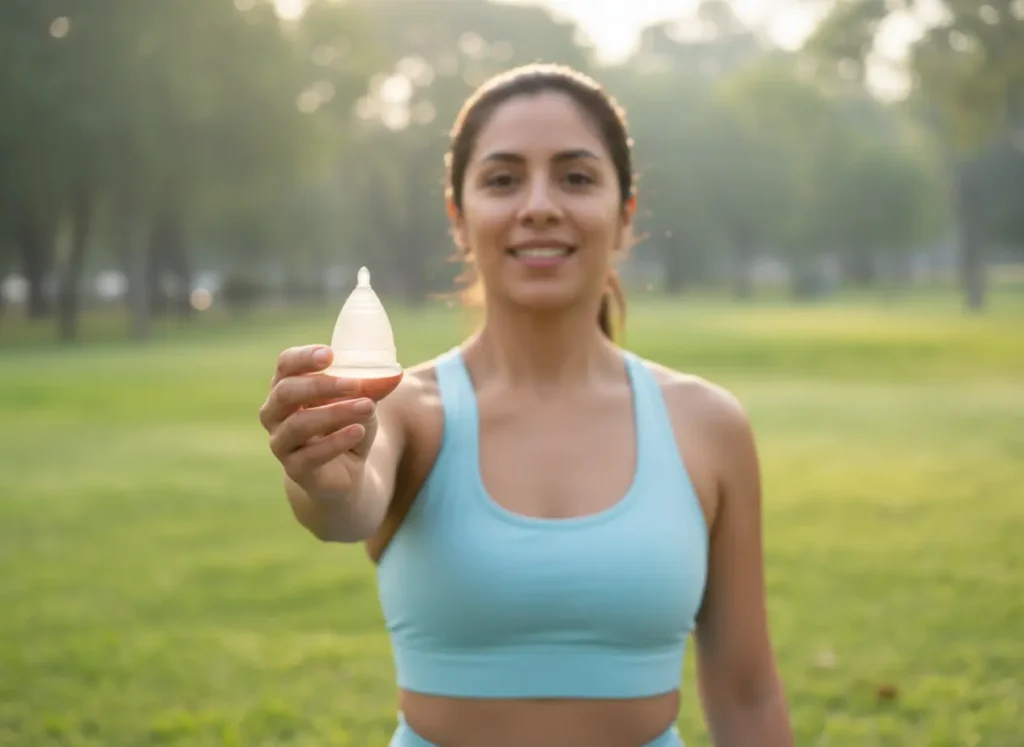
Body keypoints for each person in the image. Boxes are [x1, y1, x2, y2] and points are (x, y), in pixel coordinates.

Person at [259, 63, 794, 747]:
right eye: (503, 179)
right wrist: (319, 477)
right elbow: (344, 506)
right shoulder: (405, 409)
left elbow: (748, 696)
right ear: (459, 217)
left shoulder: (707, 424)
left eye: (575, 176)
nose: (539, 205)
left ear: (625, 216)